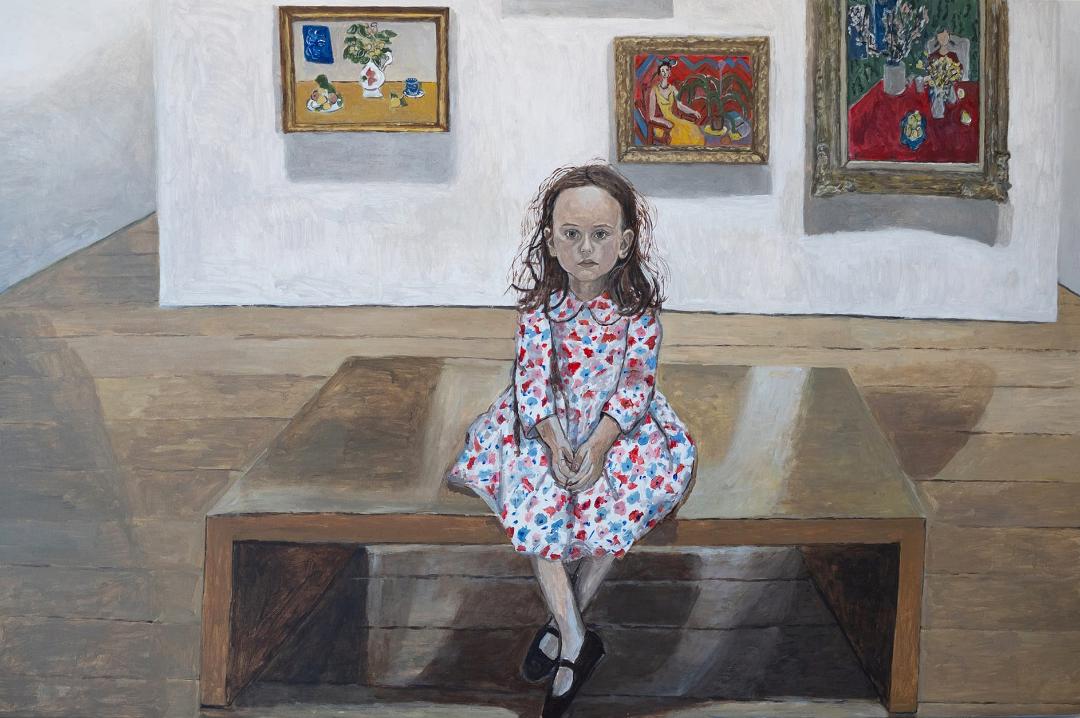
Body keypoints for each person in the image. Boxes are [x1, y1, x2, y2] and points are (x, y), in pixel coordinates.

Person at [446, 164, 697, 717]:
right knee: (537, 498)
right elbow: (531, 381)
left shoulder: (637, 313)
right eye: (572, 234)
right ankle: (577, 639)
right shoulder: (540, 309)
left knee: (618, 499)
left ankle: (567, 627)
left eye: (600, 235)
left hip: (617, 427)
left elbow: (635, 384)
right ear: (551, 241)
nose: (586, 248)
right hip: (549, 425)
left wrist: (602, 444)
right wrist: (555, 441)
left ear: (624, 243)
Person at [647, 57, 705, 146]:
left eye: (667, 70)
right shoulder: (654, 90)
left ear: (670, 72)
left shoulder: (672, 89)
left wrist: (694, 112)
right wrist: (665, 122)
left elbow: (680, 105)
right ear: (660, 73)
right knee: (677, 134)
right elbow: (651, 117)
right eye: (662, 71)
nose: (665, 72)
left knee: (693, 130)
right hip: (663, 123)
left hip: (674, 119)